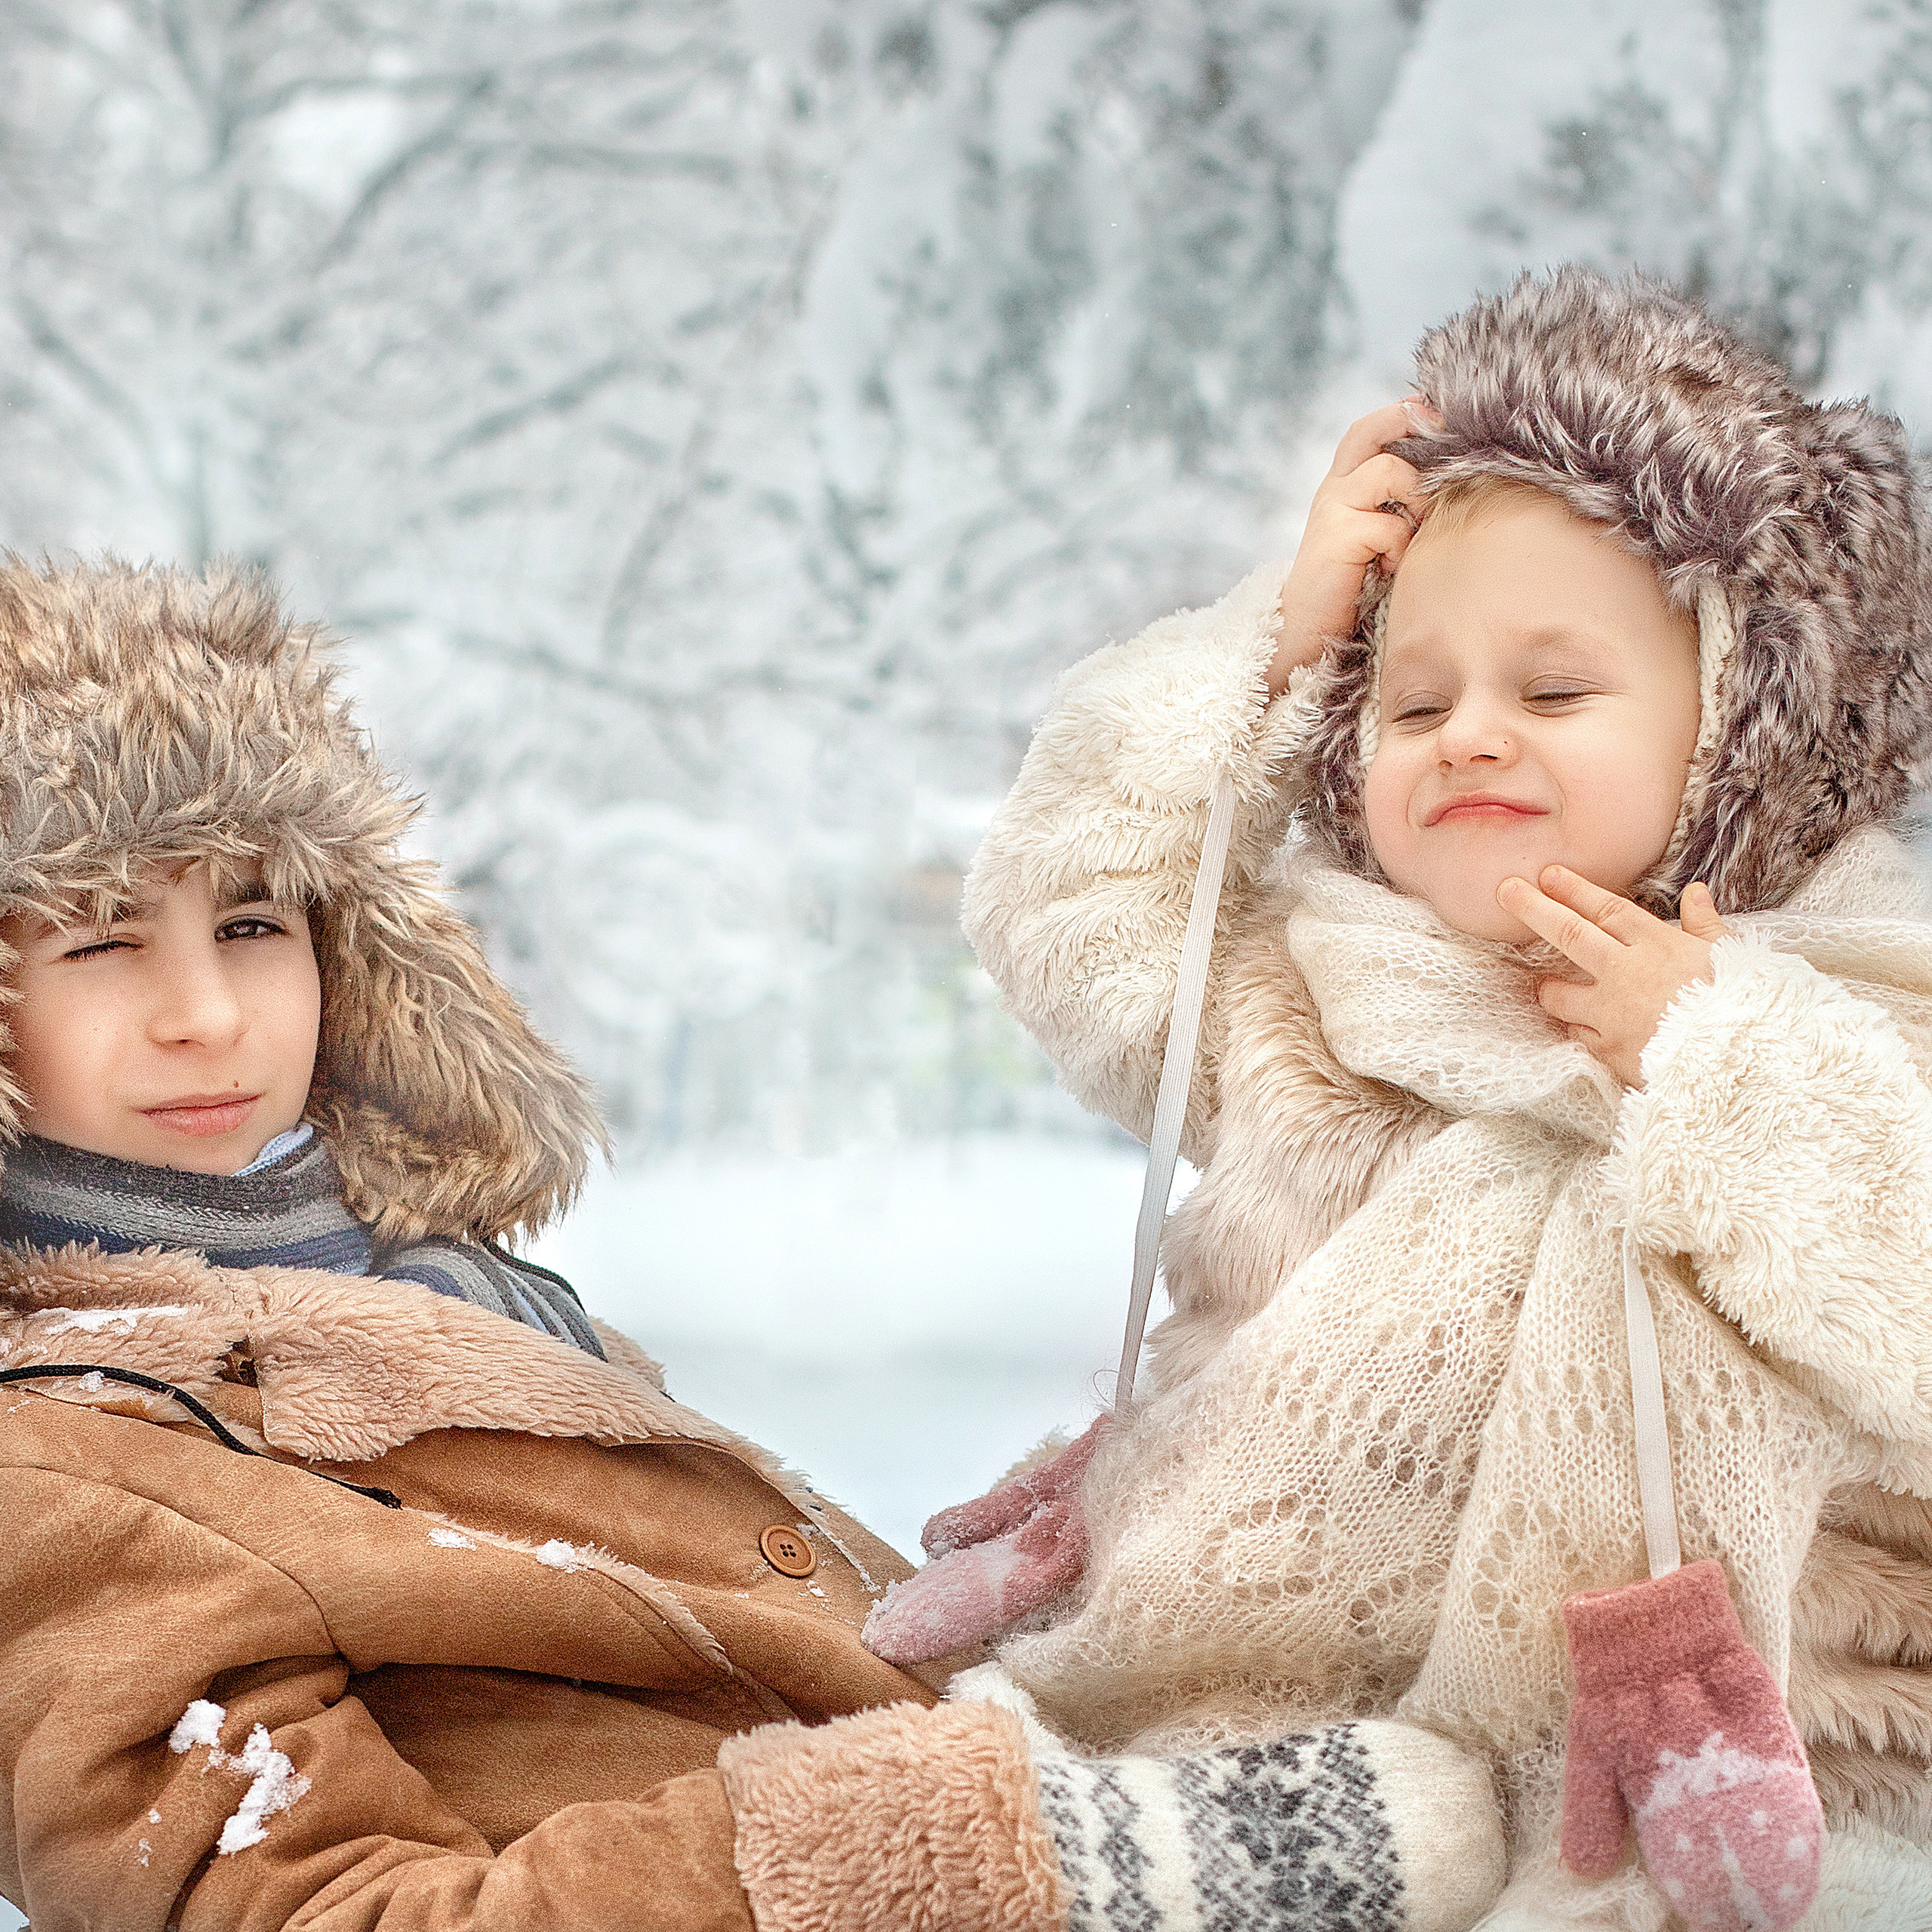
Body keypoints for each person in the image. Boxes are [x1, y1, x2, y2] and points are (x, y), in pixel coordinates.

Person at [673, 271, 1932, 1931]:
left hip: (1743, 1764)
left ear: (1747, 727)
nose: (1468, 735)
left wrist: (1718, 1059)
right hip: (1278, 1725)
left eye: (1553, 692)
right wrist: (1268, 651)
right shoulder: (1313, 993)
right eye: (1411, 701)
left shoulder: (1858, 1015)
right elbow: (1068, 900)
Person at [0, 558, 937, 1930]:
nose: (210, 1013)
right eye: (99, 941)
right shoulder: (52, 1454)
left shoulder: (456, 1290)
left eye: (254, 923)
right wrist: (933, 1832)